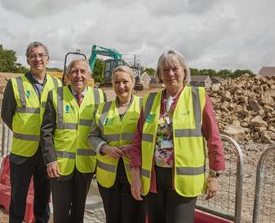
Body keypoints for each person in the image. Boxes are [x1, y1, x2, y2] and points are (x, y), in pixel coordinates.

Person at [130, 49, 225, 223]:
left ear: (184, 71)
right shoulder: (150, 101)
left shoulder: (199, 97)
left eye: (175, 68)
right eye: (165, 70)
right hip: (153, 179)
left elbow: (214, 139)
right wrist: (135, 176)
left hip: (183, 180)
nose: (171, 73)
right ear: (159, 74)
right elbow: (138, 141)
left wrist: (214, 176)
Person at [1, 41, 61, 223]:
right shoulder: (15, 84)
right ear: (27, 59)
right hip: (22, 153)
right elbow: (6, 115)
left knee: (43, 201)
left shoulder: (58, 84)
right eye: (33, 55)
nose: (37, 59)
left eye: (41, 55)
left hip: (47, 153)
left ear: (48, 59)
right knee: (18, 199)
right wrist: (23, 130)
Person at [41, 58, 105, 223]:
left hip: (86, 164)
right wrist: (50, 160)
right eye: (74, 71)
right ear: (68, 75)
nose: (79, 76)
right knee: (61, 214)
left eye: (83, 71)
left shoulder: (100, 96)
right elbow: (46, 131)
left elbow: (103, 132)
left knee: (79, 212)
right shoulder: (55, 95)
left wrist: (101, 162)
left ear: (89, 75)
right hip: (60, 165)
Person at [88, 66, 146, 223]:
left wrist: (132, 148)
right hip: (108, 177)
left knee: (133, 218)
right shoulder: (102, 109)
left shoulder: (144, 107)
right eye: (117, 82)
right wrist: (104, 148)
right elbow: (92, 136)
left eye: (125, 81)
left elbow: (150, 138)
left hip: (135, 175)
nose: (121, 86)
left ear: (133, 83)